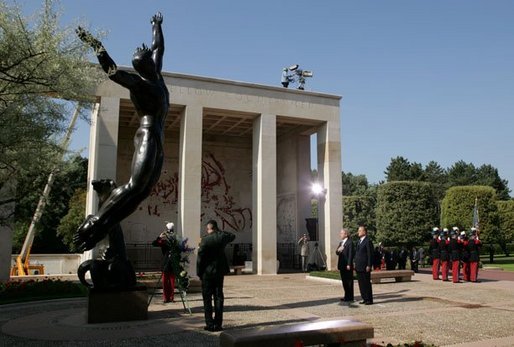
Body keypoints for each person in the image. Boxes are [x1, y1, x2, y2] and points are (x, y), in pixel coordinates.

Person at [74, 13, 170, 252]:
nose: (149, 59)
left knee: (143, 191)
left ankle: (106, 223)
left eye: (147, 58)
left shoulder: (156, 74)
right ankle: (96, 221)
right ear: (141, 66)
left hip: (158, 137)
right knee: (135, 186)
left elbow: (159, 46)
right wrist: (96, 45)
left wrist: (156, 24)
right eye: (144, 60)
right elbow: (112, 71)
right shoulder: (138, 83)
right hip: (147, 134)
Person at [197, 220, 235, 332]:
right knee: (219, 298)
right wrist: (220, 232)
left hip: (207, 274)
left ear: (208, 229)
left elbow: (200, 259)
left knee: (207, 299)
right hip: (219, 272)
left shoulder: (204, 240)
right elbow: (232, 235)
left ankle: (209, 324)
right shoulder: (222, 237)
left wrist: (199, 273)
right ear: (216, 228)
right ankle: (218, 324)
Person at [152, 222, 177, 303]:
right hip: (166, 264)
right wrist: (159, 237)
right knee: (165, 282)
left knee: (172, 283)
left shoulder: (176, 241)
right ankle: (166, 298)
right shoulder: (164, 242)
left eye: (171, 231)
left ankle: (171, 297)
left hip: (173, 264)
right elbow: (154, 244)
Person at [354, 225, 373, 305]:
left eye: (360, 230)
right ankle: (364, 298)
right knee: (361, 283)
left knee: (366, 283)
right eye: (358, 230)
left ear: (364, 232)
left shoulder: (368, 241)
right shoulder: (359, 241)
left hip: (365, 266)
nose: (358, 232)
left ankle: (369, 299)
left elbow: (370, 254)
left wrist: (369, 265)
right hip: (359, 266)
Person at [336, 228, 354, 302]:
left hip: (347, 265)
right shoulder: (341, 243)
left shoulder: (350, 242)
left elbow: (350, 254)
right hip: (342, 264)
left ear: (346, 234)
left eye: (342, 233)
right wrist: (338, 250)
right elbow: (337, 252)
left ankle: (350, 296)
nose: (340, 234)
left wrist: (349, 264)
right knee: (344, 282)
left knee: (349, 281)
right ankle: (346, 296)